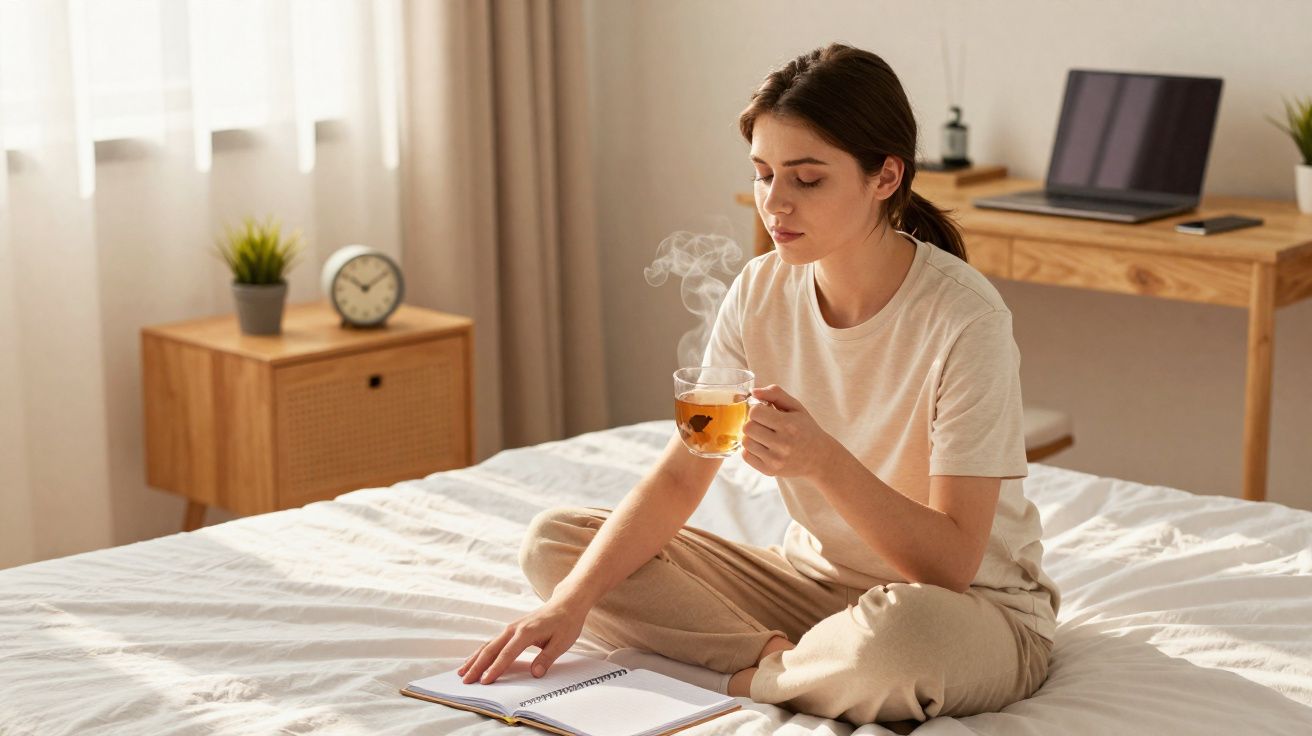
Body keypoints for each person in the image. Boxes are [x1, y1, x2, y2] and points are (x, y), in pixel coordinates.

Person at [457, 42, 1060, 727]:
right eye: (764, 173)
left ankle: (763, 675)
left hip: (966, 610)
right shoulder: (760, 288)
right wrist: (567, 604)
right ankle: (785, 663)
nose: (775, 203)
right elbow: (684, 476)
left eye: (807, 179)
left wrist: (824, 462)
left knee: (902, 644)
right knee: (558, 548)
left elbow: (951, 563)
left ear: (885, 175)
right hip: (811, 587)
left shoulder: (964, 319)